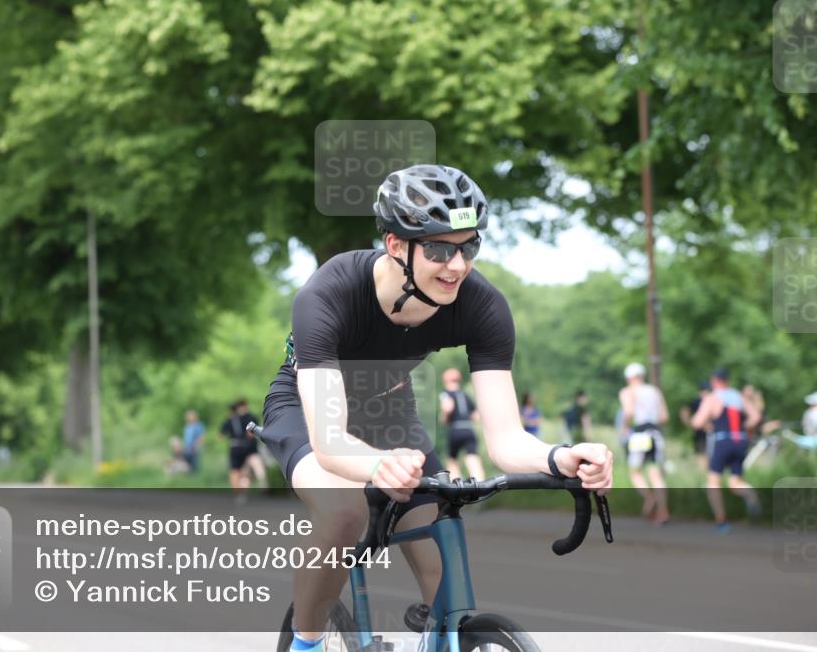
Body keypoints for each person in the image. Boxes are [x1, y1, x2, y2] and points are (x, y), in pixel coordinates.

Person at [258, 164, 613, 652]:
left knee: (442, 548)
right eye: (440, 248)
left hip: (391, 412)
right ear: (396, 245)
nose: (457, 265)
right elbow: (330, 441)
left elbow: (507, 441)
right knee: (344, 511)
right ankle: (306, 641)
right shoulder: (329, 293)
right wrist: (379, 464)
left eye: (469, 246)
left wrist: (560, 457)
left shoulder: (481, 305)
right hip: (307, 409)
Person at [692, 368, 762, 533]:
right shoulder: (737, 396)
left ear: (714, 381)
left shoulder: (712, 397)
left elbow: (697, 422)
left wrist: (707, 424)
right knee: (734, 482)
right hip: (740, 440)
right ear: (727, 380)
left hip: (722, 440)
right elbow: (756, 417)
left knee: (713, 482)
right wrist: (745, 427)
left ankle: (721, 521)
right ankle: (751, 495)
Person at [619, 363, 670, 525]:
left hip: (640, 434)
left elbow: (628, 412)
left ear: (628, 378)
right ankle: (663, 511)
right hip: (655, 433)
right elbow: (664, 416)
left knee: (635, 472)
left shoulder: (628, 391)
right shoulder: (655, 391)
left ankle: (649, 496)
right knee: (656, 475)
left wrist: (624, 428)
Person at [439, 368, 484, 481]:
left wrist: (443, 419)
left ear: (445, 381)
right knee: (472, 457)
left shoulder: (445, 394)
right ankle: (479, 484)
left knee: (452, 459)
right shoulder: (465, 394)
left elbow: (447, 408)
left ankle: (456, 485)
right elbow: (476, 415)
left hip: (455, 429)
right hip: (468, 429)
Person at [679, 380, 711, 470]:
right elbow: (684, 411)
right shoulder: (697, 401)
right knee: (701, 454)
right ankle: (705, 474)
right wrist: (690, 423)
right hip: (701, 432)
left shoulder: (710, 400)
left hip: (709, 432)